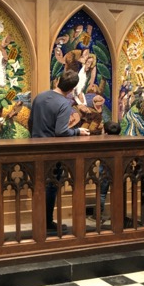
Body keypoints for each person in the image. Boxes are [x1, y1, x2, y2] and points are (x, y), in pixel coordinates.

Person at [28, 70, 90, 233]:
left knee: (38, 185)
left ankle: (38, 221)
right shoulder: (63, 104)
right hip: (52, 151)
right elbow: (61, 131)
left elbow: (30, 122)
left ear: (57, 81)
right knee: (51, 186)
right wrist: (77, 132)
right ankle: (46, 222)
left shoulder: (39, 97)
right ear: (71, 89)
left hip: (35, 147)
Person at [97, 121, 121, 222]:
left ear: (105, 132)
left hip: (104, 170)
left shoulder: (103, 142)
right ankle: (118, 216)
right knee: (118, 192)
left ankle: (99, 216)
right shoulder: (121, 142)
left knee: (102, 194)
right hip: (119, 169)